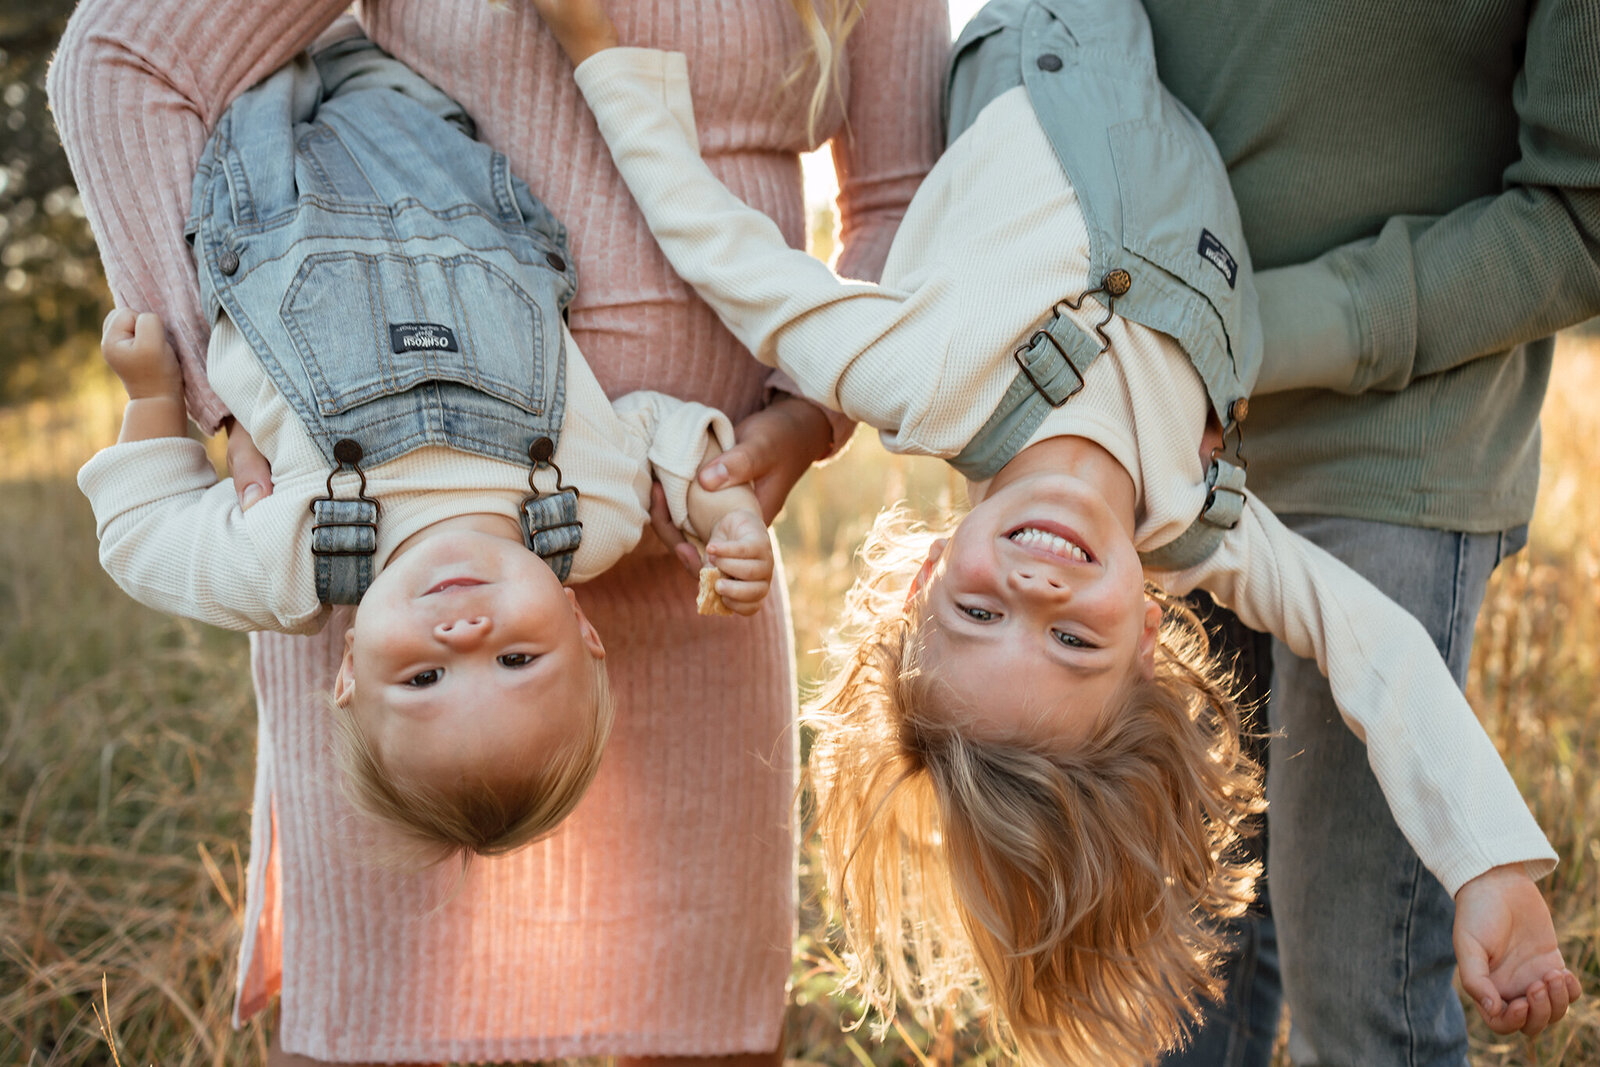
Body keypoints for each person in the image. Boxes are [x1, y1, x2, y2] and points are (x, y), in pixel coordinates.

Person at [528, 0, 1579, 1062]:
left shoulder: (912, 381)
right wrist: (1486, 862)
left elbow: (723, 251)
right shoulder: (1201, 520)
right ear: (1147, 641)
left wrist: (596, 52)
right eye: (1071, 641)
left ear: (922, 577)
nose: (1035, 590)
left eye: (977, 610)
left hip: (1028, 38)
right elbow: (1379, 648)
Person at [47, 0, 950, 1063]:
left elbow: (893, 200)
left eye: (454, 664)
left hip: (697, 564)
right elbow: (121, 62)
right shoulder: (322, 565)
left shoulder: (455, 582)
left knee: (702, 1007)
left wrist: (808, 415)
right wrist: (221, 395)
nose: (470, 634)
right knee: (380, 1019)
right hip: (386, 571)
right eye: (492, 653)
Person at [80, 25, 776, 865]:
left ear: (345, 677)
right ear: (583, 626)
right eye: (517, 657)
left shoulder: (290, 565)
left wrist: (157, 397)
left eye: (423, 680)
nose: (465, 632)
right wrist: (724, 507)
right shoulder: (590, 517)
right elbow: (659, 428)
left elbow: (138, 538)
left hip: (256, 157)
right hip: (428, 126)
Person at [1131, 2, 1600, 1063]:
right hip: (1157, 427)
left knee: (1360, 1002)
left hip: (1396, 444)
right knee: (1172, 987)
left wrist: (1260, 332)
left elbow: (1582, 215)